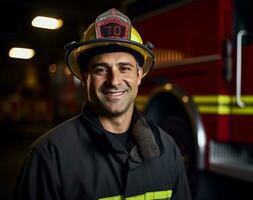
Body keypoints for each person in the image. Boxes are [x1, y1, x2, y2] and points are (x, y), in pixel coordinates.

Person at [12, 8, 191, 200]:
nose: (114, 81)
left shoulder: (167, 150)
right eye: (101, 69)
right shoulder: (48, 157)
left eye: (125, 68)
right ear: (84, 77)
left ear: (139, 75)